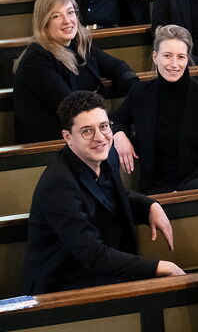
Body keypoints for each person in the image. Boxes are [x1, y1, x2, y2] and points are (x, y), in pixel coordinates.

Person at [24, 91, 183, 294]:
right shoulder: (58, 185)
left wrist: (150, 205)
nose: (100, 138)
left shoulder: (107, 156)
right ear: (68, 137)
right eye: (87, 131)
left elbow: (111, 196)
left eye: (104, 126)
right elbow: (93, 255)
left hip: (97, 272)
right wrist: (158, 267)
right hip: (62, 285)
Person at [111, 25, 198, 194]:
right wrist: (118, 134)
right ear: (155, 57)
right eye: (167, 56)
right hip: (155, 188)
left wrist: (181, 191)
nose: (174, 64)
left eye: (180, 57)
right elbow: (115, 120)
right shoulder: (140, 92)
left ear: (187, 59)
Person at [14, 0, 139, 143]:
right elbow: (72, 107)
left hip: (85, 134)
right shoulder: (36, 59)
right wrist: (114, 130)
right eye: (56, 16)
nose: (67, 21)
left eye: (70, 12)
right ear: (44, 22)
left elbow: (117, 67)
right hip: (54, 145)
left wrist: (138, 93)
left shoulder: (79, 44)